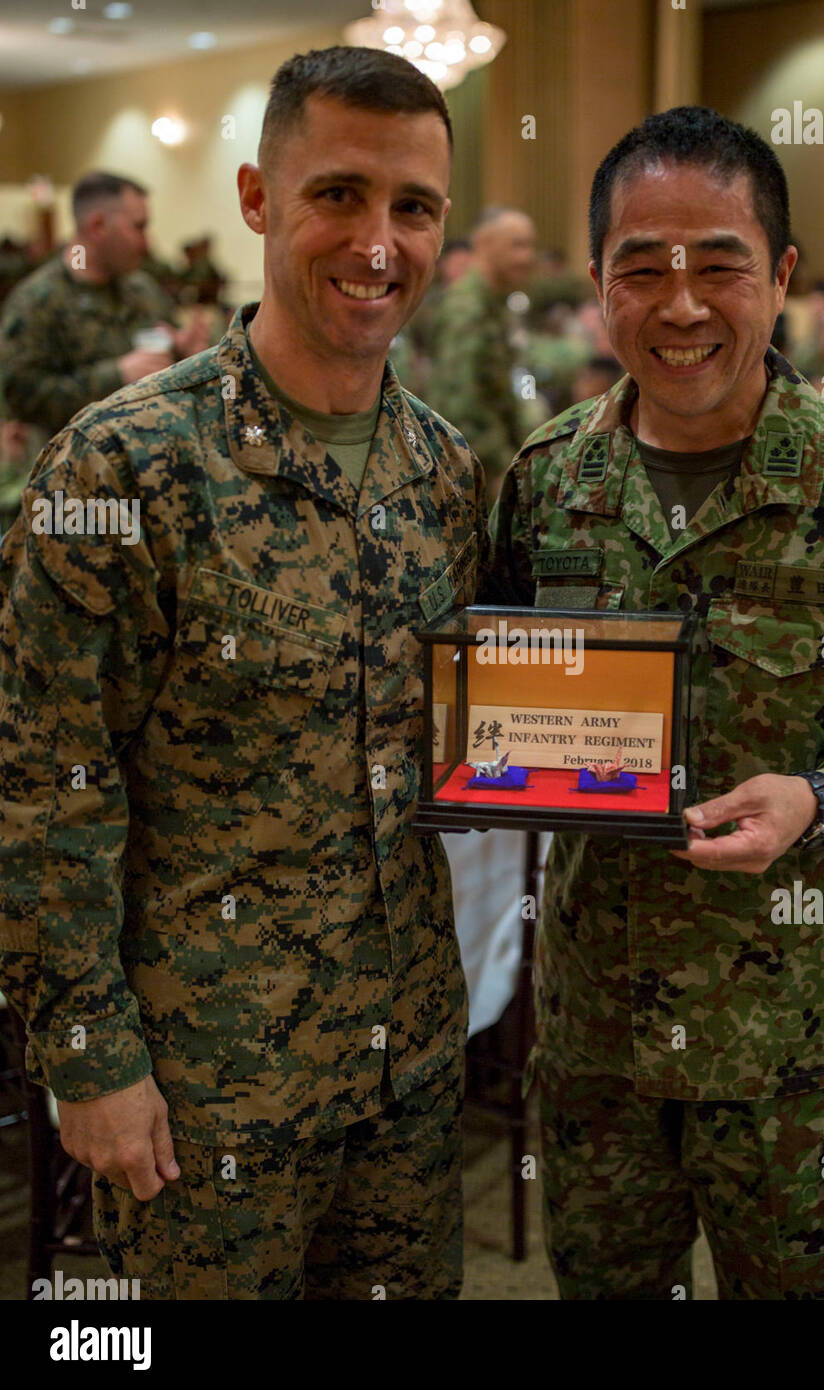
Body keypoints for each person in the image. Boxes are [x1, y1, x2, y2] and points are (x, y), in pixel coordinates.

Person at [485, 105, 824, 1300]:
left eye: (718, 264)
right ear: (596, 286)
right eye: (641, 269)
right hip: (598, 1043)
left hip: (790, 1037)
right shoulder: (543, 485)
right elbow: (487, 703)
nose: (679, 306)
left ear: (778, 275)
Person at [0, 45, 485, 1300]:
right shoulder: (120, 469)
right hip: (201, 1098)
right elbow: (43, 783)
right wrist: (89, 1056)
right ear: (259, 198)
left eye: (414, 208)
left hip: (409, 1076)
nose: (378, 242)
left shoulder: (442, 471)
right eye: (338, 194)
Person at [0, 172, 211, 437]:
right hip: (75, 466)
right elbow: (21, 397)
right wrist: (115, 375)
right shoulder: (38, 301)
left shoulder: (143, 290)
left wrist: (186, 353)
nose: (146, 242)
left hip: (153, 457)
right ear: (98, 225)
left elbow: (165, 365)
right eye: (138, 226)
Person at [427, 205, 537, 500]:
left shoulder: (494, 304)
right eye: (517, 245)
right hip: (475, 477)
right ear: (486, 245)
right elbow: (461, 405)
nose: (527, 257)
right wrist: (502, 468)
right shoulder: (468, 309)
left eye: (530, 246)